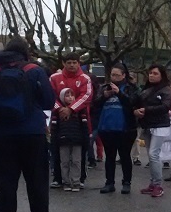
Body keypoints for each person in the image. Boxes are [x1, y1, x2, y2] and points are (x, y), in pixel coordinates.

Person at [0, 37, 62, 212]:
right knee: (37, 182)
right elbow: (48, 102)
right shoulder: (35, 70)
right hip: (32, 133)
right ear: (25, 51)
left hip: (2, 135)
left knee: (5, 184)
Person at [49, 52, 93, 189]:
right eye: (69, 62)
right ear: (63, 63)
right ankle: (58, 178)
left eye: (75, 62)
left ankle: (79, 179)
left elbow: (86, 96)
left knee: (80, 151)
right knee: (57, 148)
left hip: (80, 120)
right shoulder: (54, 78)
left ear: (79, 63)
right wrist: (60, 109)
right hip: (58, 119)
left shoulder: (85, 78)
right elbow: (50, 95)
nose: (72, 65)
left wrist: (71, 109)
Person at [94, 63, 140, 194]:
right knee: (110, 157)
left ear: (124, 75)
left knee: (125, 156)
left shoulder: (131, 88)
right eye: (112, 75)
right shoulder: (103, 87)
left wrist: (119, 93)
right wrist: (104, 96)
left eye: (117, 75)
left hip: (125, 128)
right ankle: (109, 182)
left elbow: (132, 102)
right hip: (106, 128)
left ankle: (126, 182)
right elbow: (95, 104)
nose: (114, 77)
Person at [133, 63, 171, 197]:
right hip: (148, 124)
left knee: (154, 154)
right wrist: (136, 111)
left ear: (162, 75)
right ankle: (152, 183)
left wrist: (146, 110)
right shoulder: (146, 89)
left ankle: (158, 185)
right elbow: (138, 102)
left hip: (160, 125)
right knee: (151, 155)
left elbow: (165, 106)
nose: (152, 75)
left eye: (155, 73)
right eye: (150, 73)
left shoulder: (166, 89)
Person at [51, 88, 87, 192]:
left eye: (72, 95)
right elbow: (54, 127)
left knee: (76, 161)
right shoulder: (58, 112)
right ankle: (66, 181)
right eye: (67, 95)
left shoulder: (80, 110)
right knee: (64, 161)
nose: (70, 97)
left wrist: (85, 138)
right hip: (63, 140)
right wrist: (54, 139)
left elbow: (84, 125)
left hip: (77, 140)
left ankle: (76, 181)